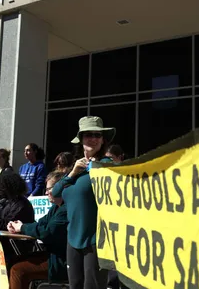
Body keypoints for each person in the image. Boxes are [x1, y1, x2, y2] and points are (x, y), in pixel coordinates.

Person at [52, 116, 116, 289]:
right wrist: (72, 172)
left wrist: (97, 170)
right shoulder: (76, 167)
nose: (93, 139)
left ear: (103, 140)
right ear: (81, 139)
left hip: (96, 240)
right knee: (75, 286)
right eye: (88, 135)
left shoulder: (107, 165)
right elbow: (55, 193)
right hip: (72, 238)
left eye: (97, 135)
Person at [7, 171, 69, 289]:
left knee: (18, 270)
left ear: (60, 188)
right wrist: (20, 226)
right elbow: (40, 224)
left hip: (61, 261)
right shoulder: (56, 208)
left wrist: (23, 228)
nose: (46, 193)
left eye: (49, 189)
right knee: (12, 261)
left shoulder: (65, 209)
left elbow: (46, 232)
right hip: (52, 255)